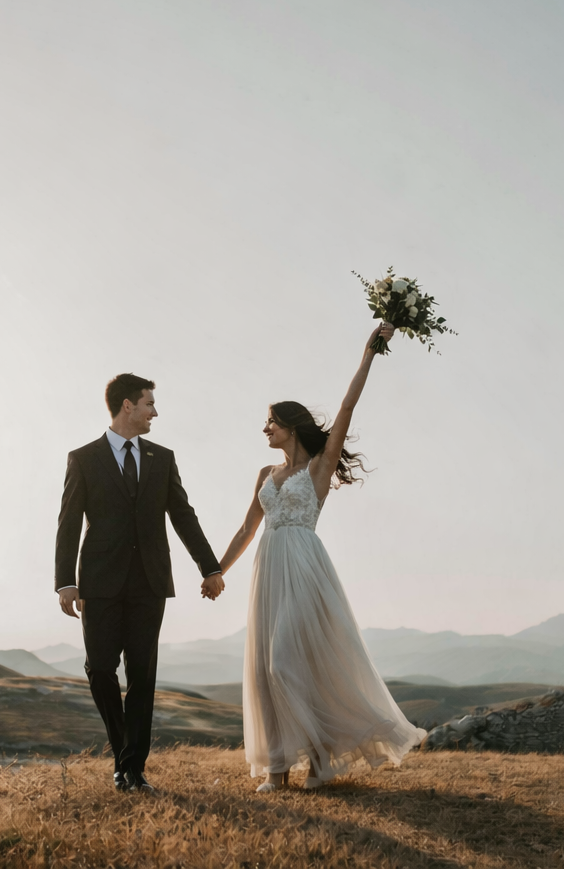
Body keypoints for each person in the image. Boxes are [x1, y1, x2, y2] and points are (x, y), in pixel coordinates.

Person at [216, 322, 426, 791]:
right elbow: (247, 527)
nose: (264, 428)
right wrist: (216, 572)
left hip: (305, 567)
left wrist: (371, 351)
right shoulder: (264, 473)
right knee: (263, 668)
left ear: (290, 425)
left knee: (285, 662)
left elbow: (347, 406)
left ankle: (319, 759)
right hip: (267, 571)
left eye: (270, 420)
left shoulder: (319, 466)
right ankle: (277, 773)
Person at [55, 373, 226, 794]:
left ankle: (131, 770)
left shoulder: (161, 458)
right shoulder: (83, 458)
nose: (155, 412)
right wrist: (64, 582)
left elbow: (183, 516)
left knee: (143, 675)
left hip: (150, 582)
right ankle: (123, 752)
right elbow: (68, 523)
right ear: (127, 405)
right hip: (98, 582)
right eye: (149, 403)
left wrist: (211, 567)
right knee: (99, 669)